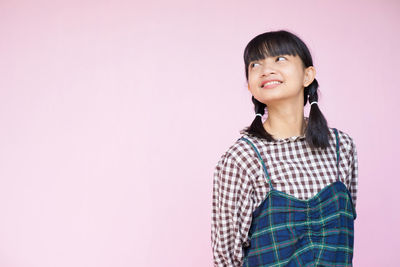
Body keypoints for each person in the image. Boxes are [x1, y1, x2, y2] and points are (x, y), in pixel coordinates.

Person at [211, 30, 358, 267]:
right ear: (249, 85)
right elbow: (226, 257)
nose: (266, 69)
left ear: (308, 75)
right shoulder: (242, 158)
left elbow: (346, 230)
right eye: (255, 64)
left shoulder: (342, 147)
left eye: (280, 59)